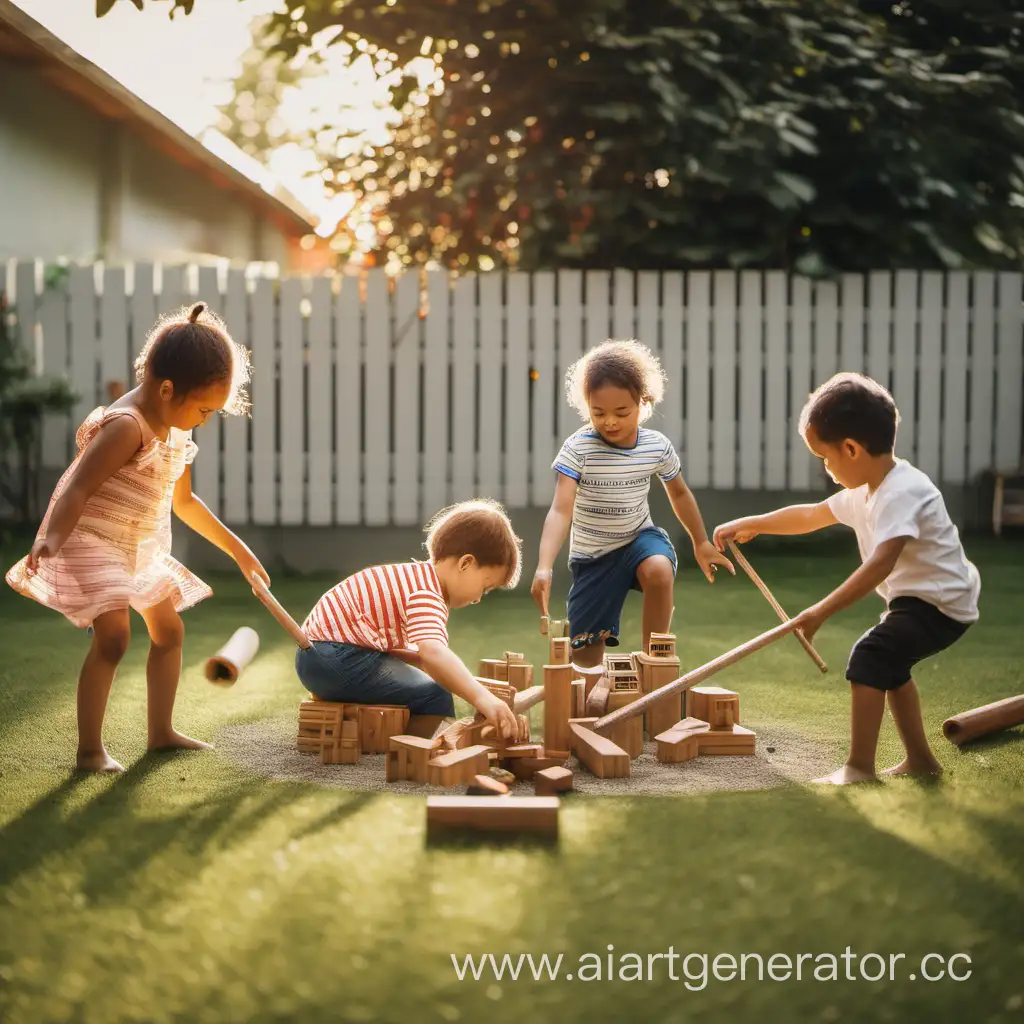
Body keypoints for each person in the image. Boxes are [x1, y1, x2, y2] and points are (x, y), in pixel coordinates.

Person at [6, 302, 268, 773]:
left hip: (137, 543)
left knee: (169, 632)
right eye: (204, 409)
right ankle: (89, 752)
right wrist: (52, 538)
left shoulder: (173, 429)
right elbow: (78, 485)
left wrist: (239, 551)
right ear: (167, 389)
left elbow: (184, 503)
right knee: (113, 639)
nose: (206, 420)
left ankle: (161, 732)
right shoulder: (128, 427)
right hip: (90, 539)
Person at [714, 372, 980, 785]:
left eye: (825, 457)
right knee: (891, 665)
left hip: (941, 604)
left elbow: (881, 564)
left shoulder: (902, 491)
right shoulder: (867, 489)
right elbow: (812, 514)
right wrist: (754, 523)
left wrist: (819, 611)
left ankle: (859, 768)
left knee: (871, 656)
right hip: (921, 601)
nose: (825, 467)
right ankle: (920, 760)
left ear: (852, 449)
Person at [531, 339, 733, 667]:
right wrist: (543, 565)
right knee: (584, 662)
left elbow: (679, 493)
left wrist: (701, 541)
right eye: (599, 413)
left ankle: (654, 660)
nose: (610, 421)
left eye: (621, 412)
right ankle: (591, 682)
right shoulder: (578, 449)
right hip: (593, 556)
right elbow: (560, 509)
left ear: (642, 402)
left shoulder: (656, 446)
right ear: (587, 406)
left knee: (659, 569)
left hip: (639, 539)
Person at [296, 499, 522, 741]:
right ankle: (432, 750)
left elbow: (414, 657)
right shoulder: (427, 593)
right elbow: (433, 653)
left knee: (423, 681)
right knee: (434, 694)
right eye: (485, 586)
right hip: (338, 660)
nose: (479, 598)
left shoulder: (415, 578)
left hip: (316, 657)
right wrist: (482, 697)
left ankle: (362, 713)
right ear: (466, 563)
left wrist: (442, 672)